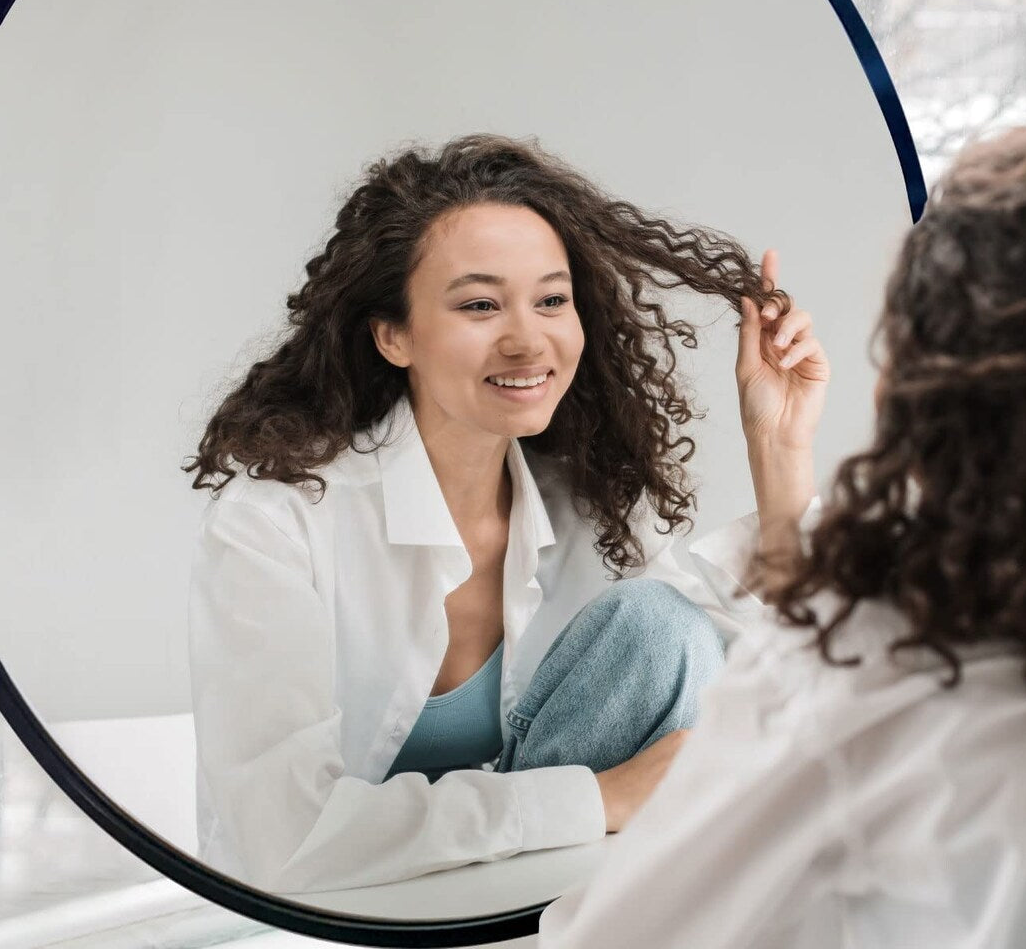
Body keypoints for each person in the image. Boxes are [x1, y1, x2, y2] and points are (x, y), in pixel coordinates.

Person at [184, 132, 829, 893]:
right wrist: (600, 797)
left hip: (534, 917)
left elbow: (752, 682)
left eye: (552, 300)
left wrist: (778, 451)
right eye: (480, 305)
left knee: (669, 632)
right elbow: (283, 839)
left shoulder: (585, 504)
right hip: (331, 925)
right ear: (395, 335)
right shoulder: (275, 524)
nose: (528, 340)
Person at [537, 126, 1026, 949]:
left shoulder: (876, 691)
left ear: (914, 393)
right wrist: (779, 455)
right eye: (482, 301)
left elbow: (623, 934)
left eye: (552, 298)